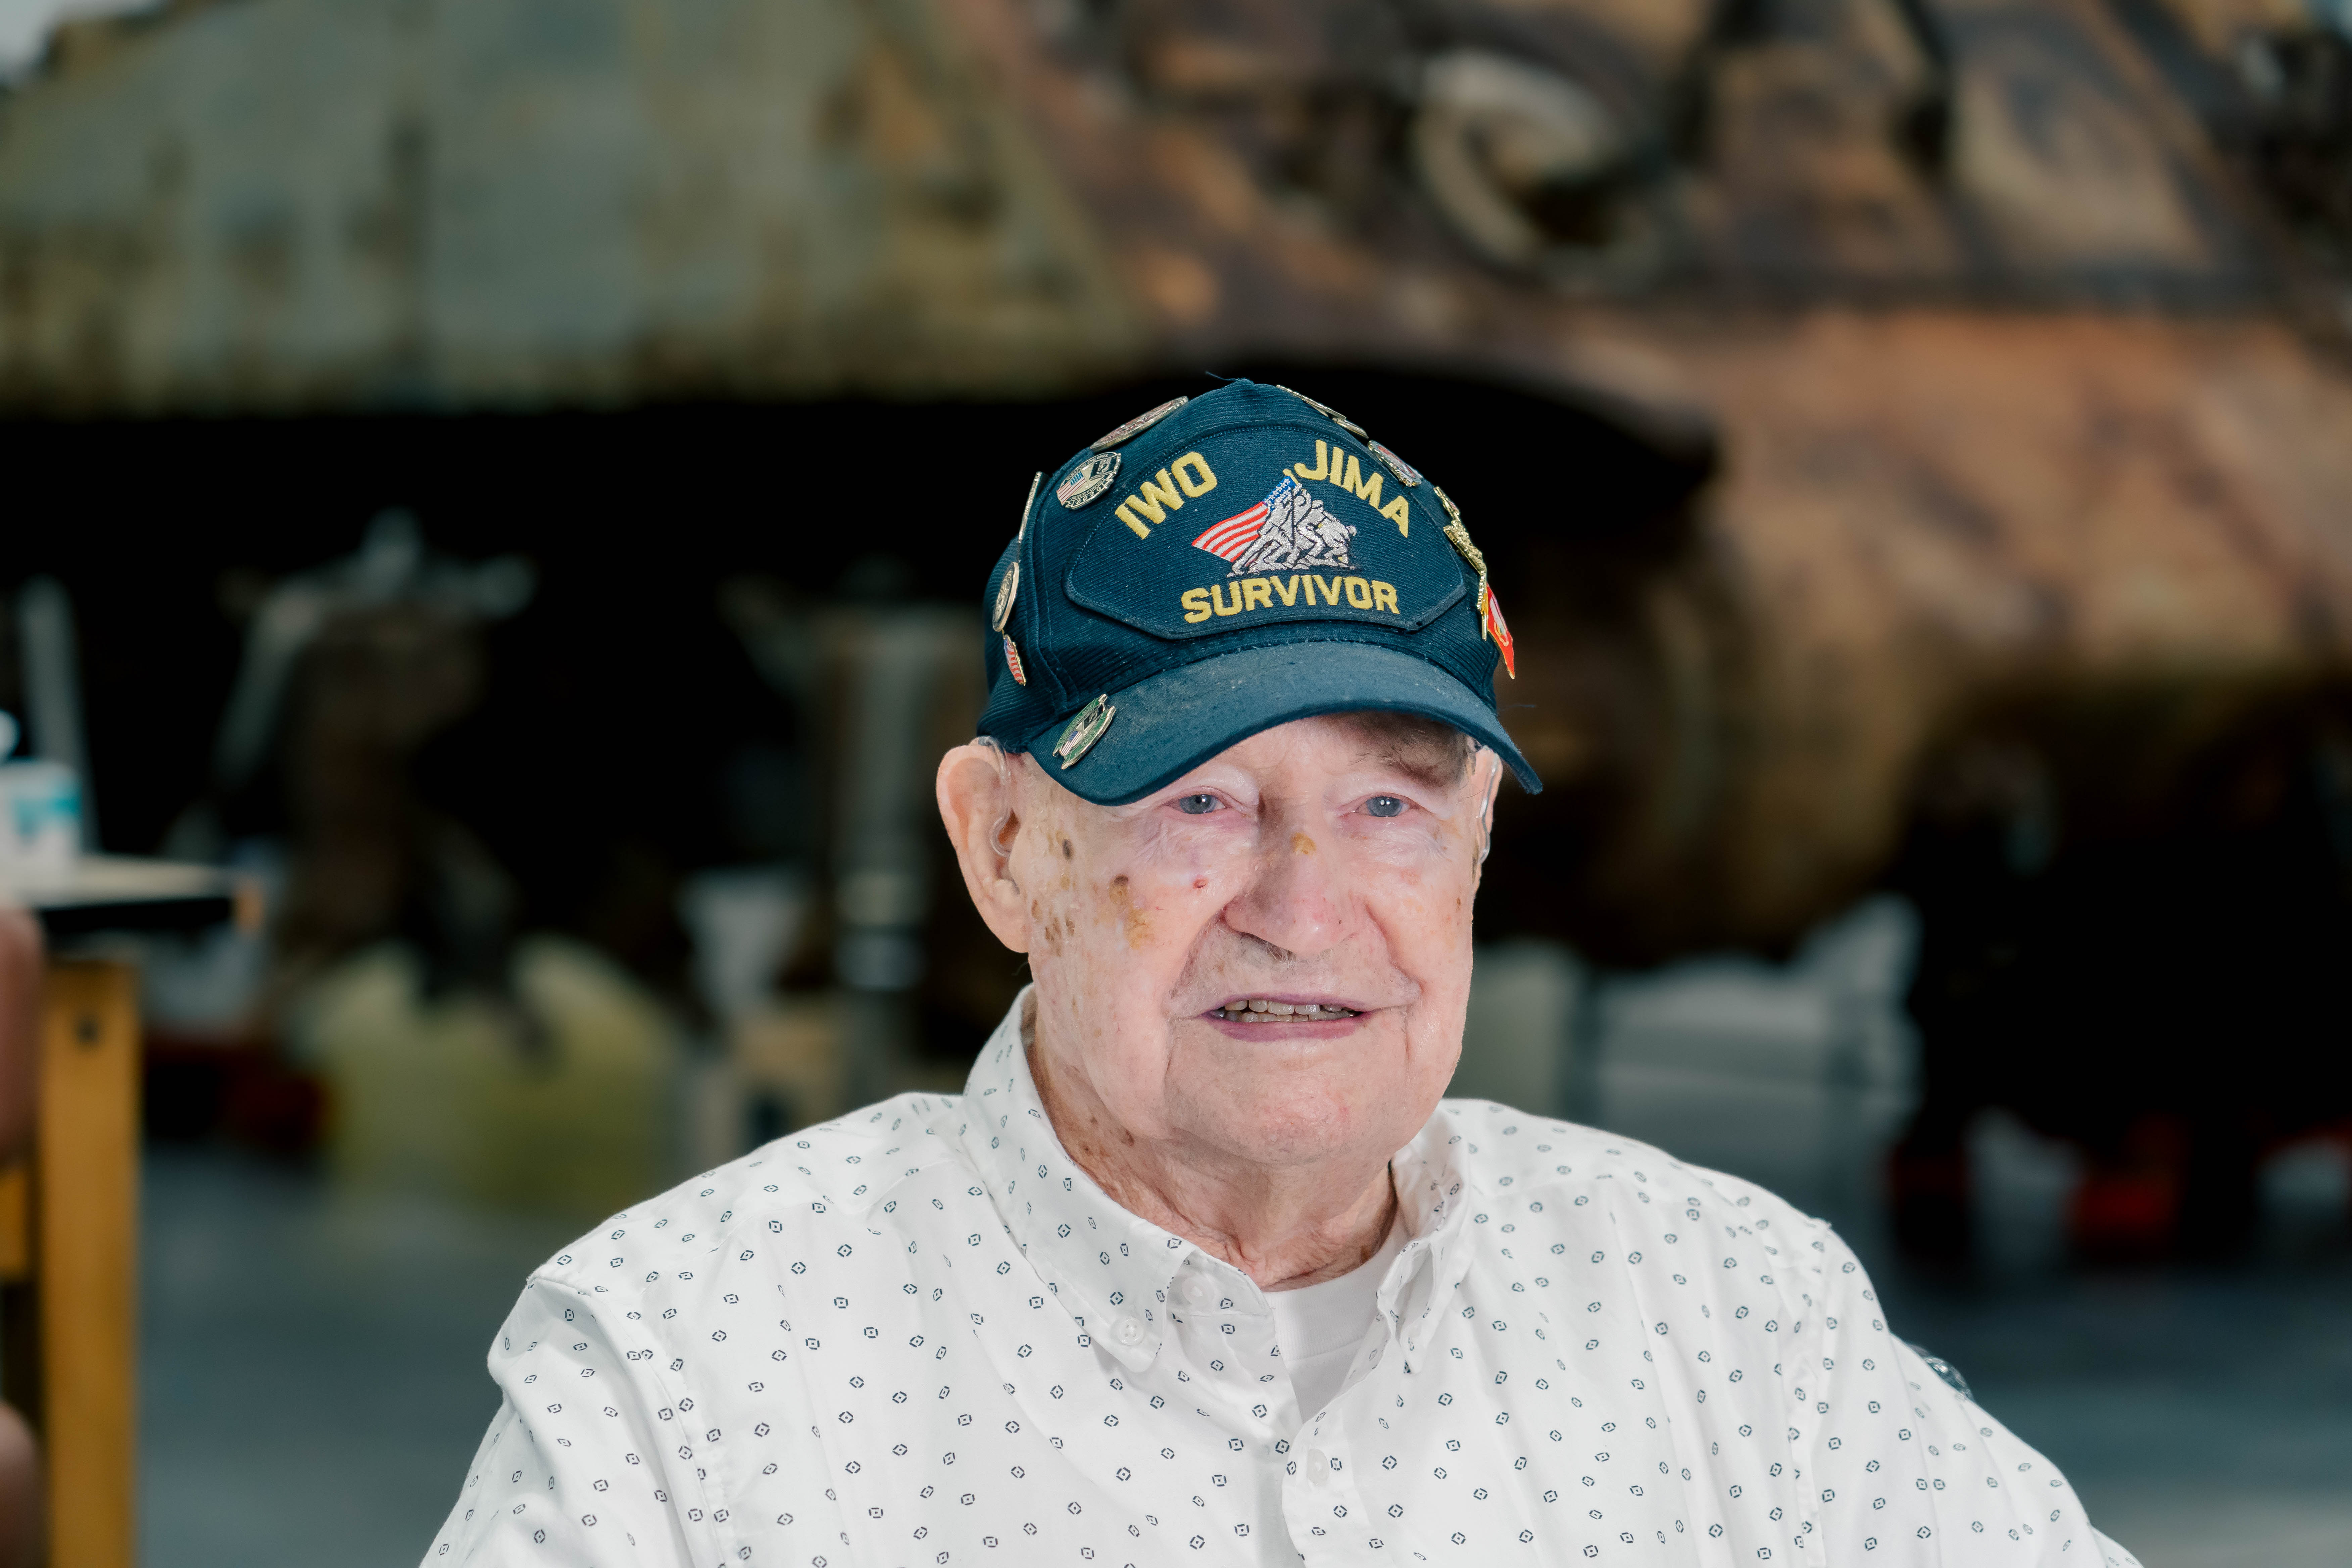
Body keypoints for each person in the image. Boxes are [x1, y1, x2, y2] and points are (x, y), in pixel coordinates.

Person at [426, 381, 2138, 1565]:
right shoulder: (687, 1372)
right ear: (1003, 846)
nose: (1304, 908)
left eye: (1391, 803)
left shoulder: (1728, 1314)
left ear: (1478, 841)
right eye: (1200, 801)